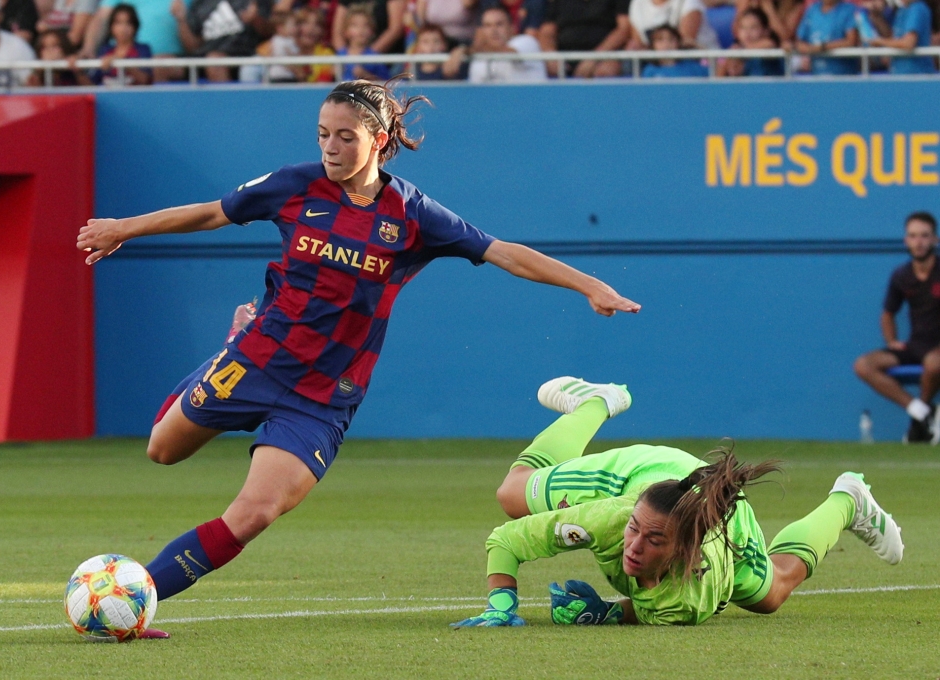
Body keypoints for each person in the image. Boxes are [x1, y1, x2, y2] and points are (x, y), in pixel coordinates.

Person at [76, 78, 642, 638]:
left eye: (345, 137)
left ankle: (134, 601)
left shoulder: (413, 215)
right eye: (323, 134)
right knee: (162, 451)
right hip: (256, 361)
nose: (329, 148)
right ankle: (226, 349)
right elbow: (211, 213)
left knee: (255, 514)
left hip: (322, 397)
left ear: (379, 138)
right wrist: (123, 228)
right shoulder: (294, 186)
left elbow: (503, 253)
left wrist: (588, 284)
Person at [452, 376, 904, 627]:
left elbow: (649, 608)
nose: (633, 546)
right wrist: (502, 604)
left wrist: (605, 614)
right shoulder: (611, 519)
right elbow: (506, 540)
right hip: (635, 479)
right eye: (635, 531)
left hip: (728, 521)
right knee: (512, 495)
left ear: (684, 549)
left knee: (769, 597)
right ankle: (596, 401)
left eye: (652, 540)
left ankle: (848, 501)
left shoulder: (692, 598)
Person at [854, 212, 940, 444]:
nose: (919, 242)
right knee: (864, 365)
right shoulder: (901, 275)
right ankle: (921, 413)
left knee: (934, 363)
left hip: (937, 350)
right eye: (913, 236)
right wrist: (892, 340)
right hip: (915, 346)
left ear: (935, 239)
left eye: (924, 236)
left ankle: (920, 421)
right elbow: (888, 313)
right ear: (906, 240)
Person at [172, 0, 272, 82]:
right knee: (162, 63)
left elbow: (271, 33)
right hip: (205, 56)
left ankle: (230, 106)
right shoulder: (199, 3)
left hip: (243, 54)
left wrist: (255, 19)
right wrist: (181, 20)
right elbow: (193, 48)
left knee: (214, 60)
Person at [537, 0, 631, 77]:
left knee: (607, 70)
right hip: (564, 57)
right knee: (541, 68)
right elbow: (547, 31)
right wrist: (551, 57)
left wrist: (594, 58)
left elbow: (623, 29)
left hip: (604, 55)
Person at [468, 5, 547, 82]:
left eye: (499, 24)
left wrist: (468, 51)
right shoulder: (478, 58)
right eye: (488, 26)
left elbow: (511, 53)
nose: (493, 31)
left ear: (512, 28)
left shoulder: (527, 41)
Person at [90, 2, 152, 84]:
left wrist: (121, 63)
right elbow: (92, 84)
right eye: (118, 23)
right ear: (111, 26)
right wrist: (77, 70)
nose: (123, 28)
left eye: (128, 23)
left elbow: (145, 80)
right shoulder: (105, 50)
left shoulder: (143, 49)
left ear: (135, 26)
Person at [868, 0, 935, 74]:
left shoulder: (917, 9)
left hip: (916, 74)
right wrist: (877, 16)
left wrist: (880, 42)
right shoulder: (902, 10)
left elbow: (908, 43)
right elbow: (894, 38)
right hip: (899, 73)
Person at [794, 0, 859, 75]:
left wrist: (823, 47)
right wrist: (804, 48)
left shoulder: (849, 9)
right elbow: (799, 40)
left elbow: (851, 41)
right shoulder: (812, 10)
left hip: (843, 75)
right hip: (817, 75)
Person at [719, 7, 785, 76]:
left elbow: (769, 44)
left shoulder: (768, 45)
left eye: (753, 27)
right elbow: (718, 77)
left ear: (766, 31)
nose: (747, 32)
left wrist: (740, 52)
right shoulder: (734, 49)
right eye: (743, 27)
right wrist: (728, 61)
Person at [627, 0, 720, 49]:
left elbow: (683, 44)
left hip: (700, 63)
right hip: (657, 66)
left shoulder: (689, 2)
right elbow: (639, 43)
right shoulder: (637, 3)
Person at [239, 9, 298, 83]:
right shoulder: (277, 40)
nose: (295, 28)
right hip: (278, 77)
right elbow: (276, 55)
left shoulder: (292, 41)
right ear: (280, 28)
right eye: (292, 25)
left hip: (290, 77)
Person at [26, 27, 94, 84]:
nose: (50, 51)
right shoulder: (37, 73)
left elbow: (91, 94)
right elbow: (29, 95)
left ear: (64, 47)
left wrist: (77, 71)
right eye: (44, 47)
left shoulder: (73, 69)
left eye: (55, 46)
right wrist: (39, 71)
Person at [337, 6, 390, 80]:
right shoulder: (340, 55)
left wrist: (365, 75)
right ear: (346, 30)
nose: (360, 30)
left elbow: (385, 82)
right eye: (354, 25)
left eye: (365, 25)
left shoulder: (375, 57)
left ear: (372, 31)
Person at [640, 23, 710, 76]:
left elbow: (720, 63)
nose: (666, 44)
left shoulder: (691, 66)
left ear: (678, 43)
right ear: (653, 45)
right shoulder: (649, 70)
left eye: (671, 39)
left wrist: (696, 45)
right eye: (660, 39)